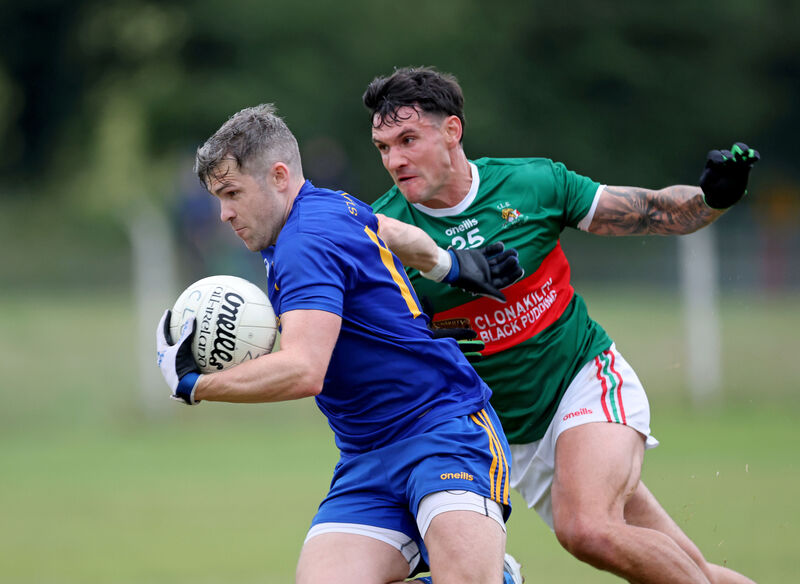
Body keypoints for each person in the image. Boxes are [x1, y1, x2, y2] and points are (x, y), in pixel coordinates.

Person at [363, 66, 760, 584]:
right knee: (687, 568)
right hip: (511, 438)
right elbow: (371, 343)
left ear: (452, 131)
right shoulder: (384, 231)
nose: (394, 160)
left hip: (583, 382)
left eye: (408, 140)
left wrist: (712, 199)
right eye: (383, 147)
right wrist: (419, 341)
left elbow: (651, 211)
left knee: (586, 528)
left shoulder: (532, 184)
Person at [155, 103, 524, 584]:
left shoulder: (303, 242)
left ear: (279, 177)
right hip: (367, 456)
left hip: (443, 432)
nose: (223, 213)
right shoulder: (327, 204)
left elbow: (304, 369)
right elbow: (385, 228)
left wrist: (195, 385)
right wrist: (448, 265)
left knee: (468, 579)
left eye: (232, 194)